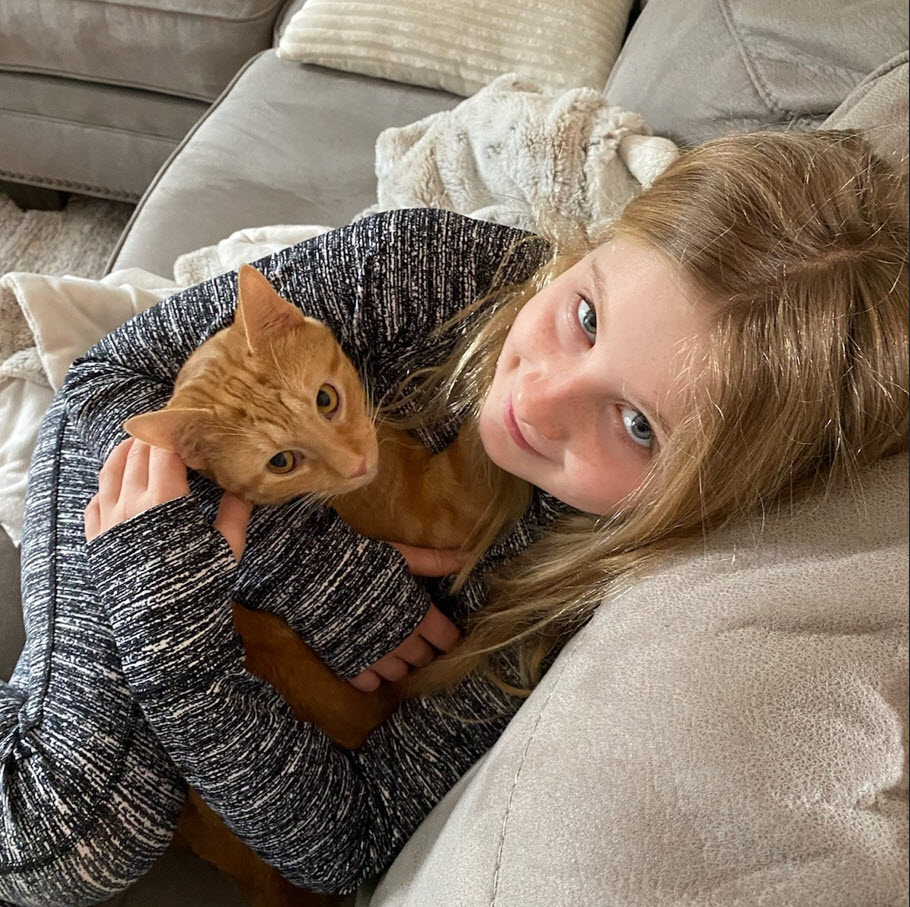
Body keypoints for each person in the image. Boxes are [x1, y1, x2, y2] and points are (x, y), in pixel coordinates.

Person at [1, 129, 907, 906]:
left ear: (710, 490)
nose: (540, 397)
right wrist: (312, 562)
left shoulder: (566, 591)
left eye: (637, 425)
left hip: (187, 611)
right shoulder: (423, 269)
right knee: (77, 824)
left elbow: (349, 836)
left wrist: (178, 641)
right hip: (135, 483)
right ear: (590, 245)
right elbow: (111, 381)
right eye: (585, 314)